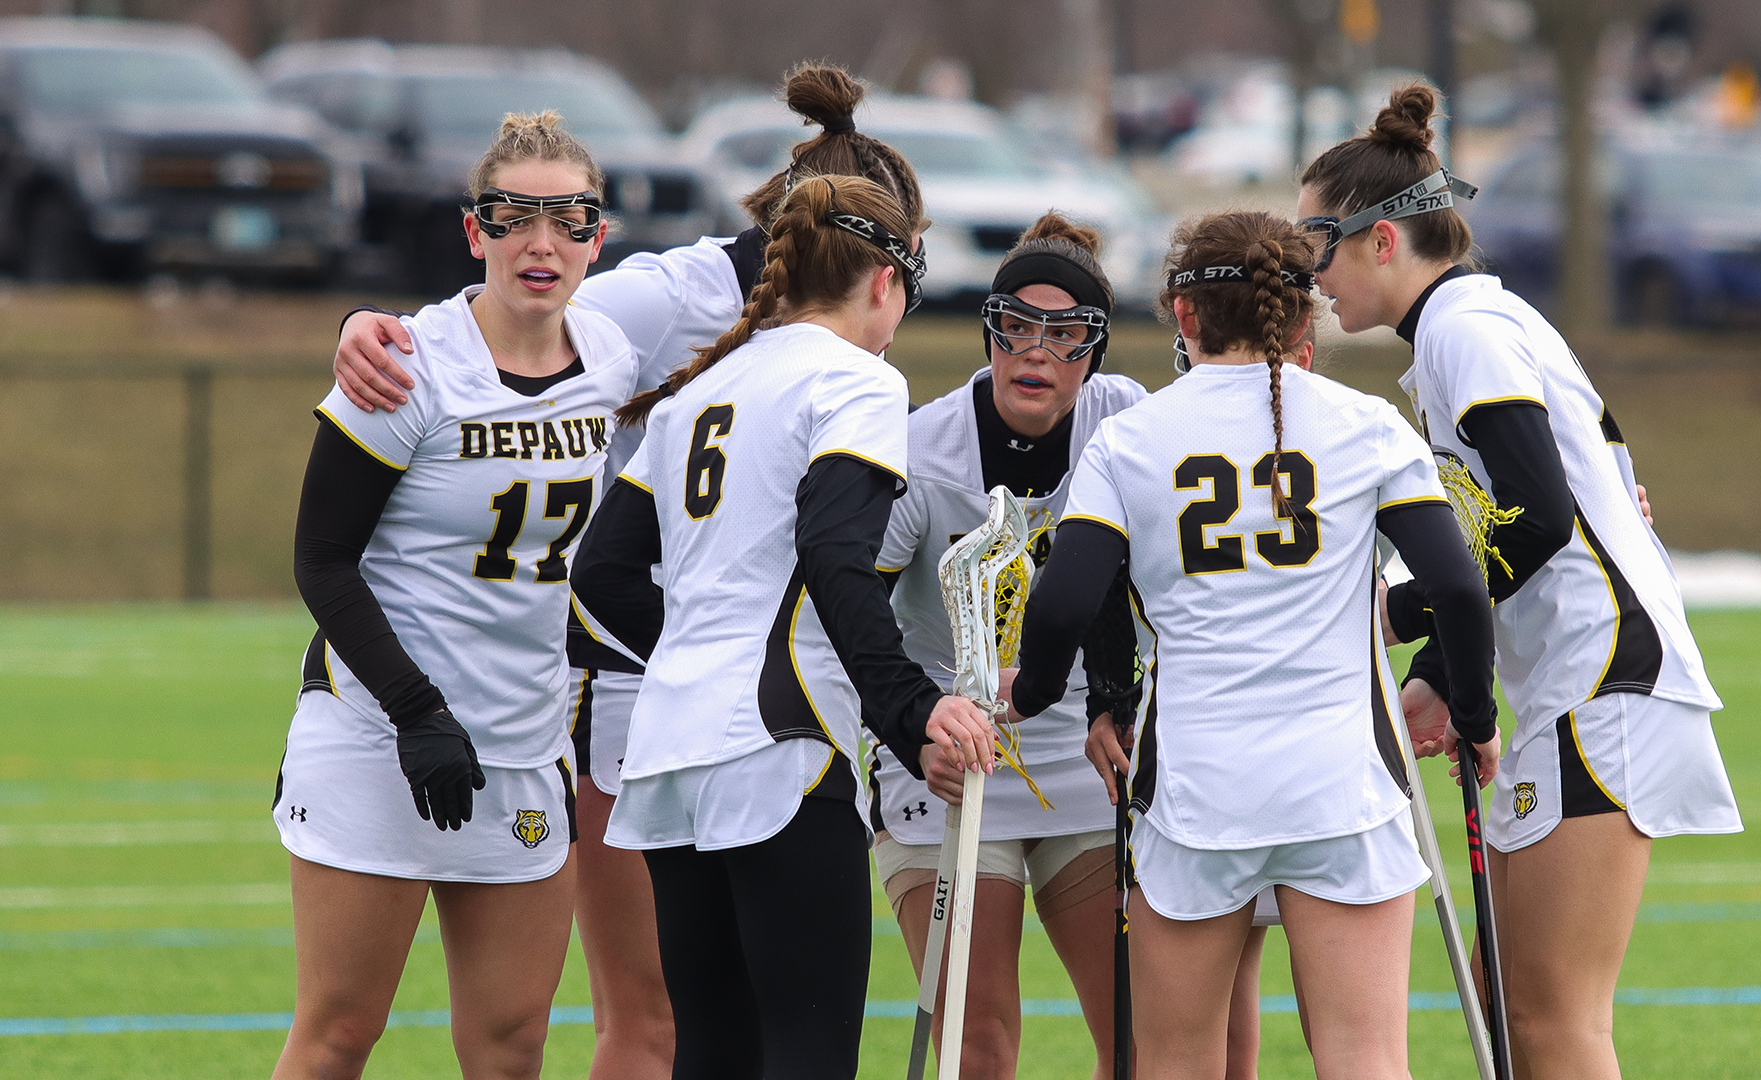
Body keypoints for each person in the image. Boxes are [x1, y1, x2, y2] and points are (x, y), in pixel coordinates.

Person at [323, 64, 924, 1079]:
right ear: (882, 264)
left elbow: (618, 554)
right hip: (664, 704)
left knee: (654, 1036)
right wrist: (374, 329)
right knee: (673, 1026)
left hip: (650, 709)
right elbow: (509, 306)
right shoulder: (678, 300)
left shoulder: (738, 367)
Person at [1299, 85, 1742, 1080]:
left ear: (1380, 240)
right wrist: (1435, 664)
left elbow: (1539, 519)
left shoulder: (1467, 329)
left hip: (1602, 683)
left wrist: (1397, 612)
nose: (1310, 272)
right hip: (1573, 682)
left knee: (1551, 1019)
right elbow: (1523, 527)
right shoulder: (1462, 329)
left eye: (1316, 239)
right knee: (1516, 1008)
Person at [1003, 209, 1499, 1080]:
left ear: (1184, 319)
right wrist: (1476, 713)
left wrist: (1034, 696)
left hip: (1197, 795)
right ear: (1300, 321)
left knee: (1176, 1063)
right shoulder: (1367, 424)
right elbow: (1459, 588)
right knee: (1364, 1059)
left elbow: (1064, 605)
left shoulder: (1130, 437)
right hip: (1340, 788)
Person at [568, 174, 997, 1080]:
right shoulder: (859, 379)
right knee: (807, 1053)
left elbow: (602, 573)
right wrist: (913, 711)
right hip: (778, 750)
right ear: (885, 281)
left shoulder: (698, 387)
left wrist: (699, 654)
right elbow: (838, 561)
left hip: (668, 748)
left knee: (713, 1055)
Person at [274, 112, 640, 1079]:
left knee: (512, 1046)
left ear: (599, 237)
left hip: (523, 742)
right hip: (378, 731)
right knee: (337, 1037)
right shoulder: (408, 365)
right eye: (514, 217)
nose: (542, 242)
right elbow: (321, 560)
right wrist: (416, 708)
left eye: (569, 219)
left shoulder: (612, 357)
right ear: (473, 231)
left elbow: (749, 265)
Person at [869, 211, 1156, 1080]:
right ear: (989, 332)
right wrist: (914, 732)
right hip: (945, 742)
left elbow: (1146, 588)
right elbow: (851, 620)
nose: (1036, 352)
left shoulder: (1127, 422)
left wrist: (1117, 698)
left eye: (1065, 335)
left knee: (1142, 1034)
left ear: (1096, 350)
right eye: (1017, 328)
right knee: (976, 1044)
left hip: (1080, 742)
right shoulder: (921, 450)